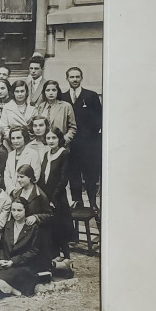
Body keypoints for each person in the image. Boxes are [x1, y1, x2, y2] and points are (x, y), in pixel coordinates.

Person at [60, 66, 102, 212]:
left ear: (81, 78)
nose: (75, 80)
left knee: (90, 174)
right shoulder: (63, 97)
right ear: (67, 79)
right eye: (72, 77)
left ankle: (92, 203)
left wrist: (90, 137)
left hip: (89, 144)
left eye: (77, 77)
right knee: (73, 175)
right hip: (71, 145)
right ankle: (77, 202)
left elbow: (99, 118)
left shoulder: (91, 95)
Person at [39, 126, 74, 264]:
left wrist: (54, 198)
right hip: (46, 197)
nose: (51, 141)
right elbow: (43, 177)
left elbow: (63, 179)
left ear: (59, 139)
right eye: (48, 138)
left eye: (53, 138)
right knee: (50, 228)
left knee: (60, 227)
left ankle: (66, 259)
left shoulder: (64, 153)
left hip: (58, 198)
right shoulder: (46, 154)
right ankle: (54, 257)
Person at [4, 126, 42, 193]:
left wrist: (20, 190)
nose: (15, 141)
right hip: (11, 193)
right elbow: (7, 176)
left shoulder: (33, 154)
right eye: (13, 138)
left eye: (18, 138)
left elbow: (35, 176)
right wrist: (12, 190)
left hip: (27, 192)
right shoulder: (10, 155)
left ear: (24, 138)